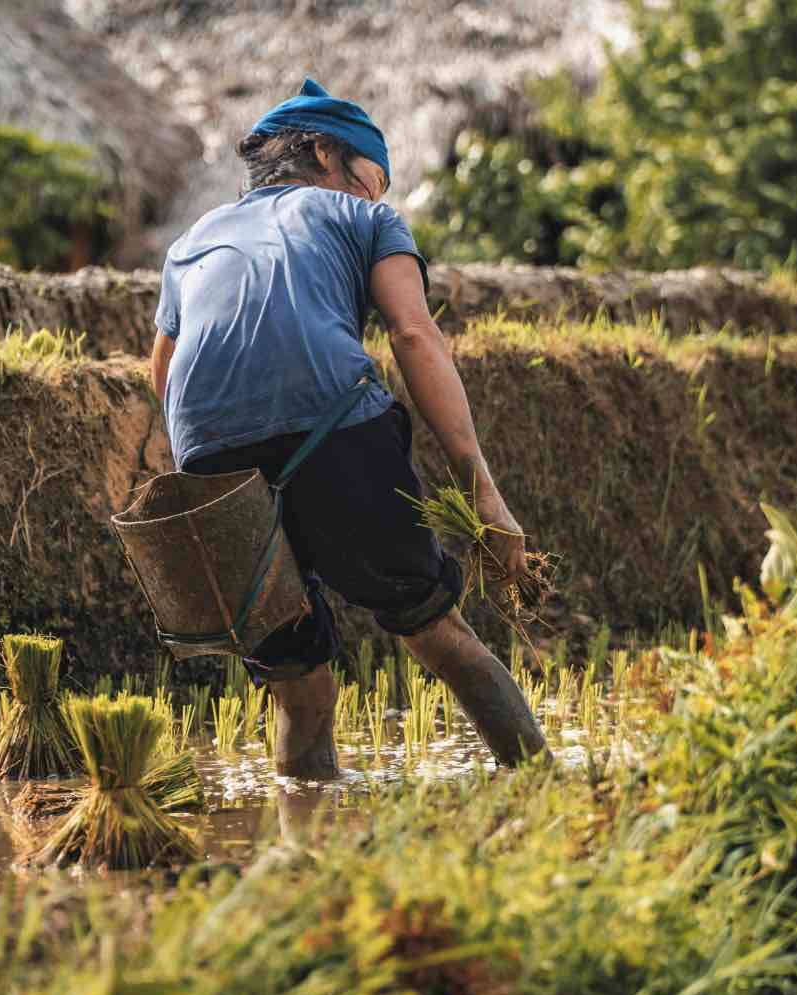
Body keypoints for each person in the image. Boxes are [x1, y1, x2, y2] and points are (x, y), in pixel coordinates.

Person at [148, 78, 549, 777]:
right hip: (331, 430)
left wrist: (215, 451)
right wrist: (484, 495)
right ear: (328, 153)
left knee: (297, 684)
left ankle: (305, 838)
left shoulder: (193, 239)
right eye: (375, 177)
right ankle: (548, 787)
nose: (377, 193)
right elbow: (415, 336)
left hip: (209, 461)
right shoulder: (365, 221)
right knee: (437, 632)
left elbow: (165, 372)